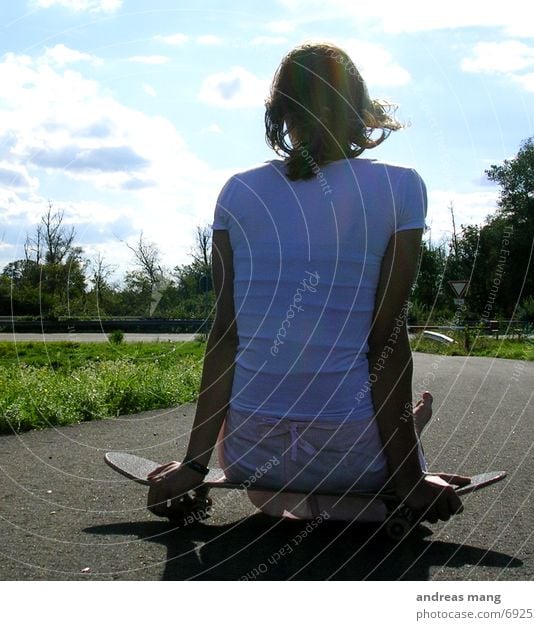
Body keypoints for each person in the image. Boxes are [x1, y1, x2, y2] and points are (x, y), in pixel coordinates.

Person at [147, 42, 468, 525]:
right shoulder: (401, 187)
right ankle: (402, 448)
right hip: (350, 455)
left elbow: (226, 337)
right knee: (367, 435)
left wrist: (194, 466)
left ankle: (383, 454)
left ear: (278, 113)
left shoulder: (237, 190)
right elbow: (387, 340)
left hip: (251, 456)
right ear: (358, 110)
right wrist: (406, 475)